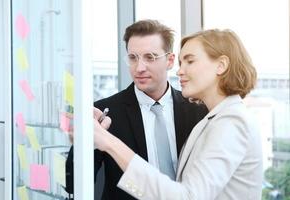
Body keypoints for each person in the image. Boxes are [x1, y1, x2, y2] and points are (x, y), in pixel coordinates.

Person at [94, 29, 263, 200]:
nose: (180, 71)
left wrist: (108, 142)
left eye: (190, 61)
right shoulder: (213, 119)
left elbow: (187, 197)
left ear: (221, 65)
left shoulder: (232, 121)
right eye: (181, 63)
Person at [65, 19, 207, 199]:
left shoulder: (197, 111)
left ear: (170, 61)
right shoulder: (105, 113)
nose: (139, 68)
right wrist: (81, 144)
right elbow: (72, 184)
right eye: (133, 58)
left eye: (150, 57)